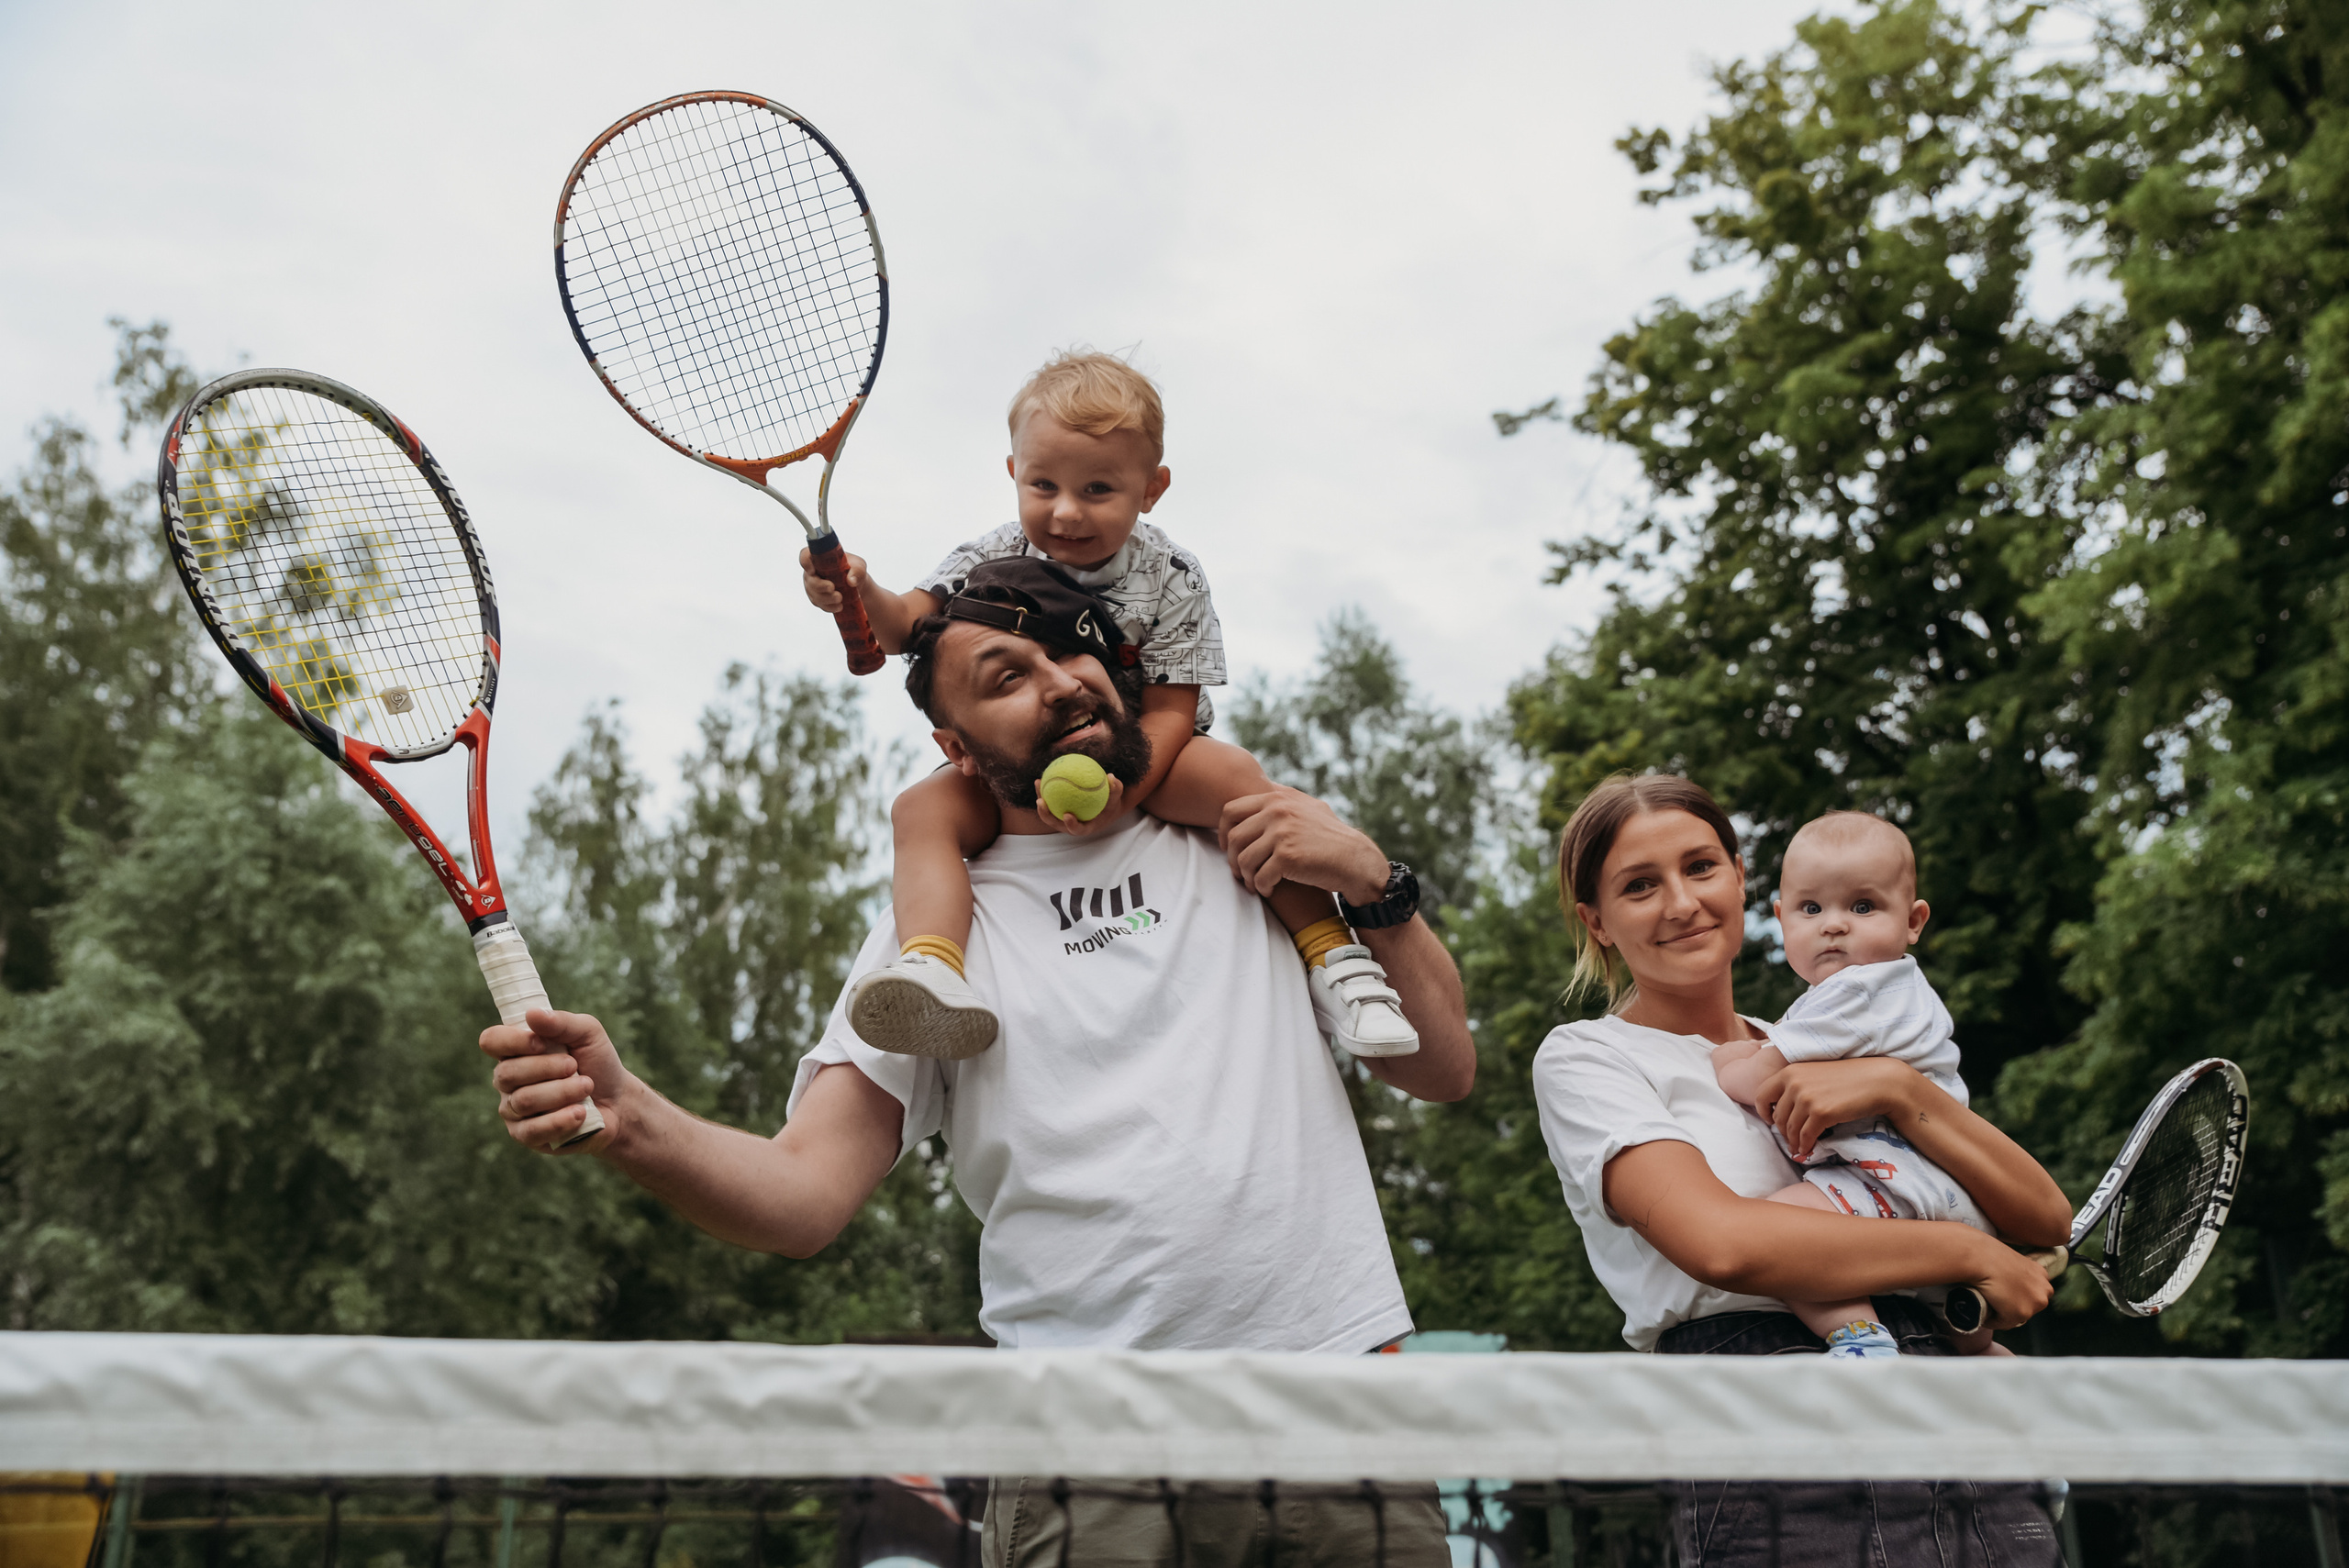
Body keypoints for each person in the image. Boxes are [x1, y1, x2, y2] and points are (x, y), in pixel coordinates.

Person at [481, 559, 1474, 1567]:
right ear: (955, 750)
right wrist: (629, 1115)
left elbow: (1443, 1071)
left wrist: (1376, 884)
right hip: (1083, 1443)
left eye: (1073, 649)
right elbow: (800, 1197)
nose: (1061, 682)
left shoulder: (1250, 838)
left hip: (1336, 1406)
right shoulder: (929, 947)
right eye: (1006, 676)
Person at [798, 350, 1418, 1063]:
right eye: (1043, 485)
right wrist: (859, 589)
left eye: (1097, 489)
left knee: (1239, 782)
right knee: (920, 809)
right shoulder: (990, 555)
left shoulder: (1173, 575)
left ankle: (1336, 960)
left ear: (1151, 489)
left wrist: (1123, 795)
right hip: (1029, 761)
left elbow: (1172, 712)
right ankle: (933, 964)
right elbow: (906, 625)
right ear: (1013, 473)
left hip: (1143, 748)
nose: (1066, 510)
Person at [1530, 773, 2072, 1568]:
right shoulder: (1588, 1057)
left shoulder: (1834, 1031)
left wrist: (1898, 1088)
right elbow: (1724, 1245)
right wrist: (1969, 1254)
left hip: (1963, 1412)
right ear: (1597, 921)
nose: (1681, 902)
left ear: (1742, 878)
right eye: (1639, 885)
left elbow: (2048, 1217)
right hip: (1770, 1423)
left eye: (1701, 867)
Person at [1709, 810, 2013, 1359]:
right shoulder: (1894, 992)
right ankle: (1984, 1354)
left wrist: (1727, 1061)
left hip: (1887, 1183)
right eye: (1811, 909)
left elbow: (1762, 1080)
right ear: (1781, 918)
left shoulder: (1860, 992)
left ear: (1913, 921)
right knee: (1963, 1332)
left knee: (1781, 1231)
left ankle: (1858, 1337)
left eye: (1863, 906)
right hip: (1943, 1192)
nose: (1833, 924)